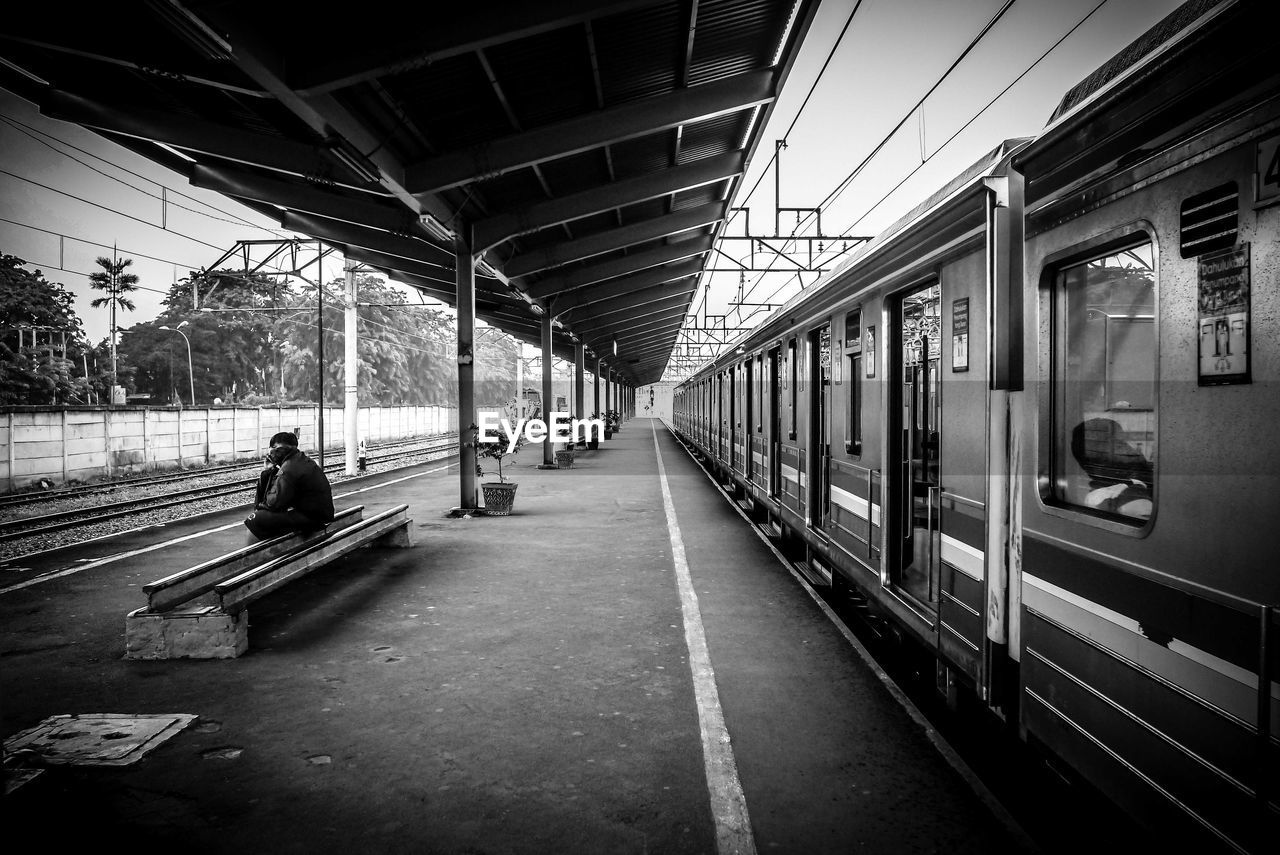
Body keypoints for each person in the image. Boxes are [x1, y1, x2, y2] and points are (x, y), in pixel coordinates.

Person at [243, 432, 335, 543]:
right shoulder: (299, 460)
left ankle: (252, 557)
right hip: (319, 515)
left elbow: (274, 503)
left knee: (255, 519)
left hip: (313, 520)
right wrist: (270, 472)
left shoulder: (289, 468)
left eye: (276, 449)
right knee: (269, 516)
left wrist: (267, 472)